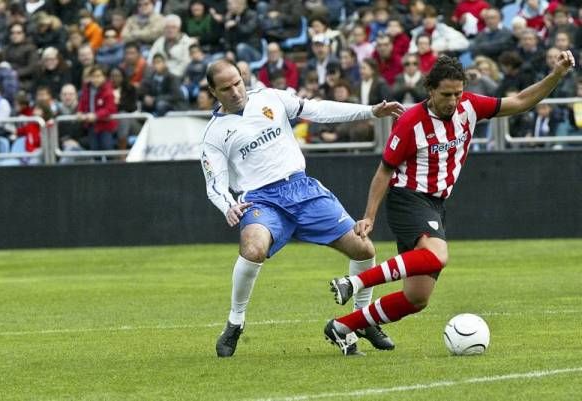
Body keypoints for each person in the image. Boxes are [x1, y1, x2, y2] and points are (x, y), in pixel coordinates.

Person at [324, 51, 577, 356]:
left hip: (435, 205)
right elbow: (384, 171)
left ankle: (342, 326)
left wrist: (556, 75)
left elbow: (520, 102)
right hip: (408, 198)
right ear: (430, 90)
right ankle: (354, 282)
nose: (453, 100)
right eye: (446, 94)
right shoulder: (410, 122)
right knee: (438, 255)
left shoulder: (469, 105)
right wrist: (369, 216)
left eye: (457, 93)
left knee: (416, 298)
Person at [201, 59, 406, 358]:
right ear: (212, 92)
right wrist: (228, 206)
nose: (235, 91)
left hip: (302, 189)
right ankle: (235, 321)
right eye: (226, 88)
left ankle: (362, 320)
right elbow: (214, 182)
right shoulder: (214, 135)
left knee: (364, 249)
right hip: (261, 199)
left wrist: (370, 111)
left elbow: (318, 110)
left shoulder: (270, 97)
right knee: (253, 248)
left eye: (238, 82)